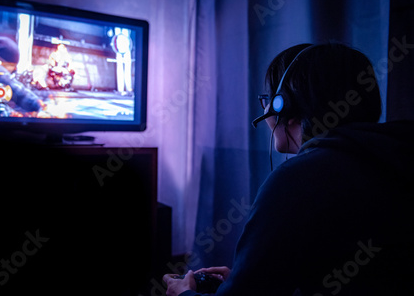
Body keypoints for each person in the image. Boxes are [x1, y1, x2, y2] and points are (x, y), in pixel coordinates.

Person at [163, 43, 414, 295]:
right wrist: (247, 280)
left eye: (269, 100)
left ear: (284, 106)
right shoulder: (393, 158)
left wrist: (183, 292)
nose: (266, 110)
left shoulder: (296, 181)